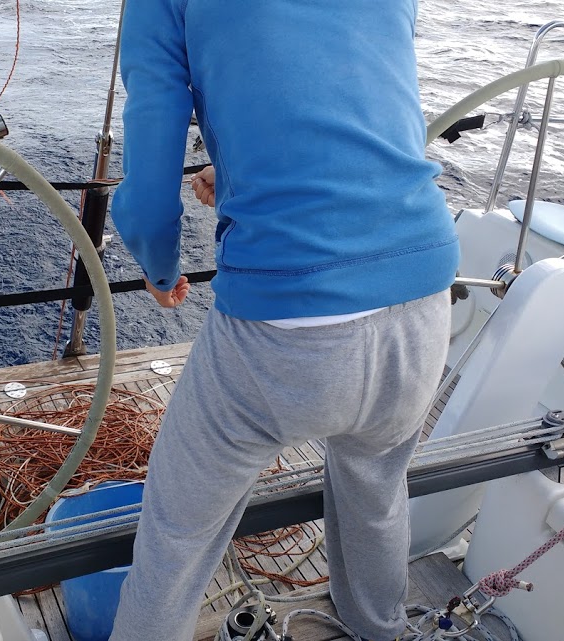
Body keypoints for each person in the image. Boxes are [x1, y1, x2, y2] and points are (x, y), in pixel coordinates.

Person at [106, 0, 460, 639]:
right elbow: (345, 98)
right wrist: (231, 171)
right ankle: (381, 627)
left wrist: (159, 269)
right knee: (377, 490)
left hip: (283, 330)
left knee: (178, 534)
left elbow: (150, 183)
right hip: (423, 294)